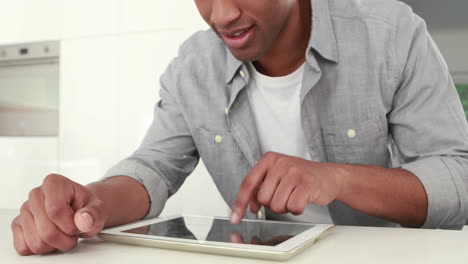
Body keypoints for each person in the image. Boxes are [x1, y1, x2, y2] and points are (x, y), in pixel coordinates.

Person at [11, 0, 468, 256]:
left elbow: (458, 181)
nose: (222, 14)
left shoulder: (391, 34)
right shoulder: (193, 66)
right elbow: (152, 168)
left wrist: (335, 177)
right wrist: (90, 202)